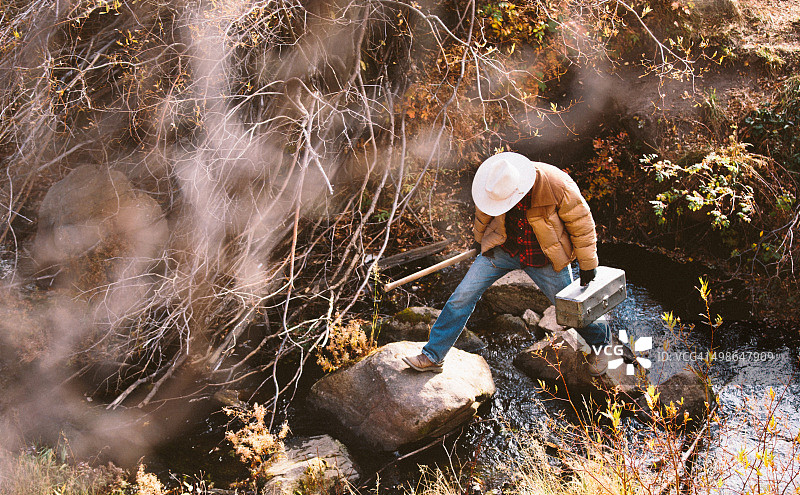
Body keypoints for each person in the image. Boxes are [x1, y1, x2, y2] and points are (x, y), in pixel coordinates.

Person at [402, 151, 611, 375]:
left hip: (544, 257)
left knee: (572, 306)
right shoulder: (493, 182)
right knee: (462, 296)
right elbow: (483, 214)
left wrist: (588, 264)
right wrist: (479, 240)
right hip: (503, 249)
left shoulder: (556, 184)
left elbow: (582, 224)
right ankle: (433, 356)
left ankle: (602, 346)